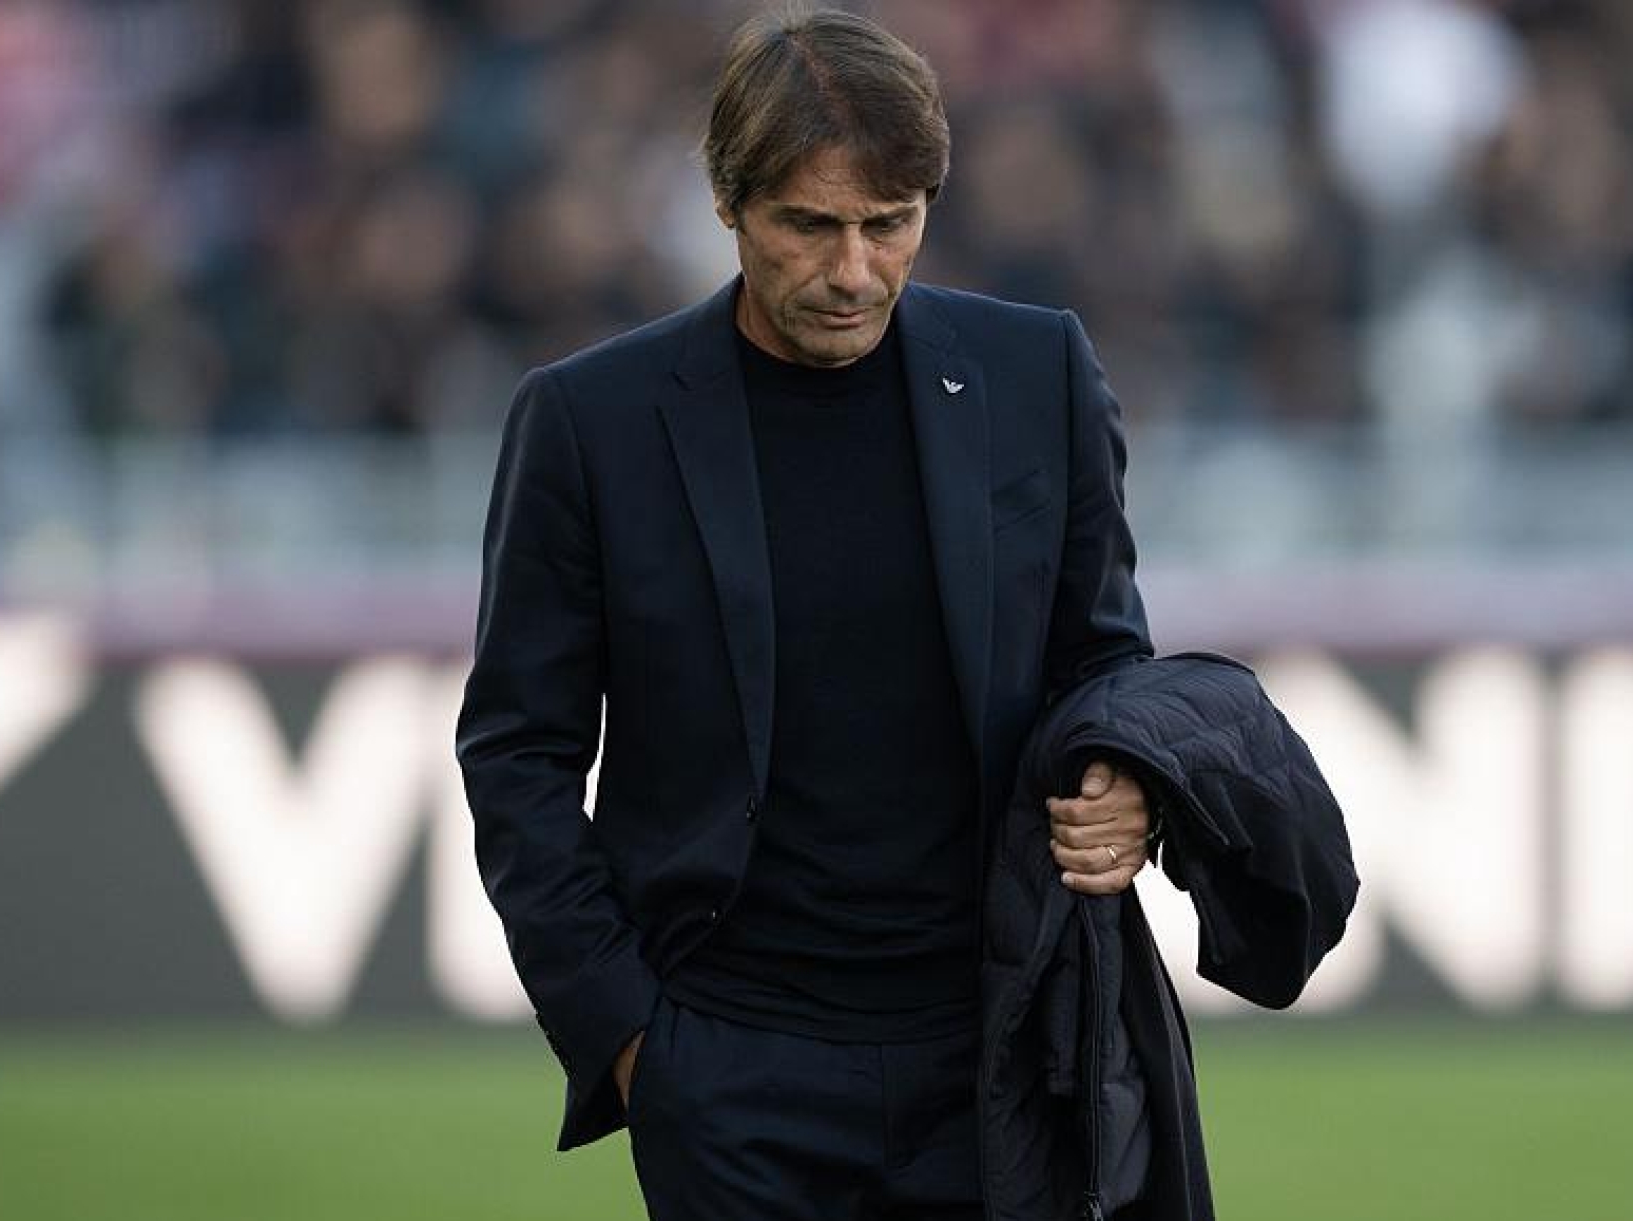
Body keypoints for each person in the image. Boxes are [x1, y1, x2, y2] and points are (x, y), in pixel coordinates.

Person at [456, 8, 1162, 1217]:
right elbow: (517, 752)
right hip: (727, 1073)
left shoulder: (1036, 373)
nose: (854, 271)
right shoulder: (590, 422)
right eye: (810, 226)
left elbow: (1103, 661)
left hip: (992, 1060)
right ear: (727, 206)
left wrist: (1128, 779)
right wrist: (634, 1043)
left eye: (891, 225)